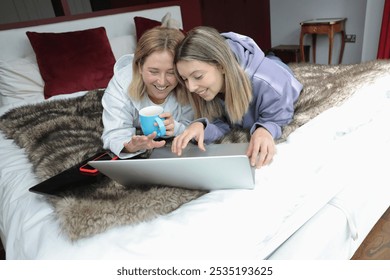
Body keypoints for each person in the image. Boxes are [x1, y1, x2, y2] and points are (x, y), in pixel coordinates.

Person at [171, 26, 303, 168]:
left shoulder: (269, 84)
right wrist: (201, 126)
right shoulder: (208, 86)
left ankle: (271, 57)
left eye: (198, 76)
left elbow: (279, 118)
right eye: (185, 79)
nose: (191, 87)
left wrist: (265, 130)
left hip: (277, 69)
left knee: (273, 61)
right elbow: (224, 125)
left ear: (221, 66)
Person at [101, 25, 193, 159]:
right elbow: (114, 133)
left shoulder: (189, 83)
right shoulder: (121, 84)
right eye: (153, 71)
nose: (162, 82)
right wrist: (130, 147)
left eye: (171, 72)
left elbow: (198, 124)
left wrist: (178, 128)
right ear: (139, 66)